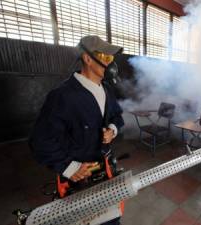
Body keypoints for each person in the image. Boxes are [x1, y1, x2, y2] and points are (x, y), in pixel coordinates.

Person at [29, 35, 124, 225]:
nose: (111, 64)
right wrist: (69, 167)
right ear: (88, 59)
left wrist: (112, 129)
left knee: (112, 218)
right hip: (79, 180)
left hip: (105, 171)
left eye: (111, 59)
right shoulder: (62, 97)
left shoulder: (106, 90)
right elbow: (40, 142)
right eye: (106, 58)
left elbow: (117, 116)